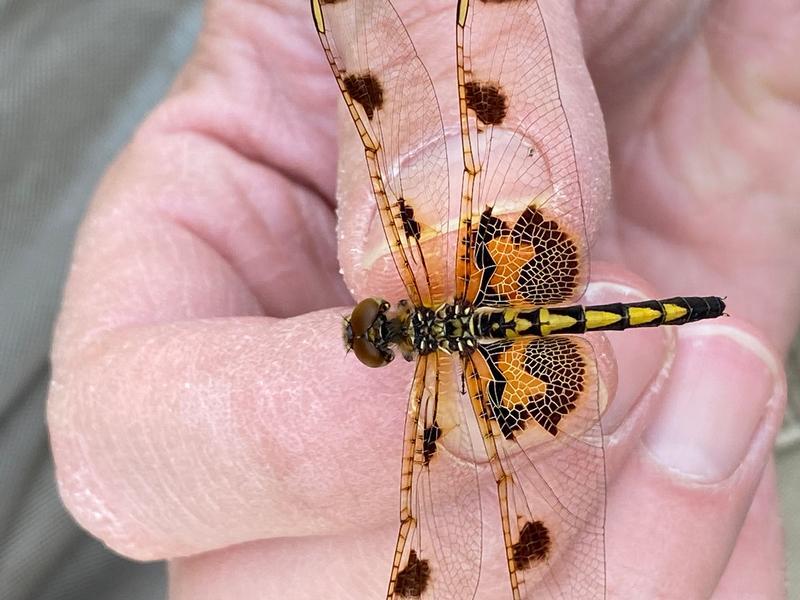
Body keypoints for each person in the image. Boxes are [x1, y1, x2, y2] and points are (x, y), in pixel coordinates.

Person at [47, 1, 797, 597]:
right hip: (538, 276)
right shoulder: (434, 308)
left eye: (377, 330)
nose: (374, 326)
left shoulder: (435, 318)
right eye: (379, 331)